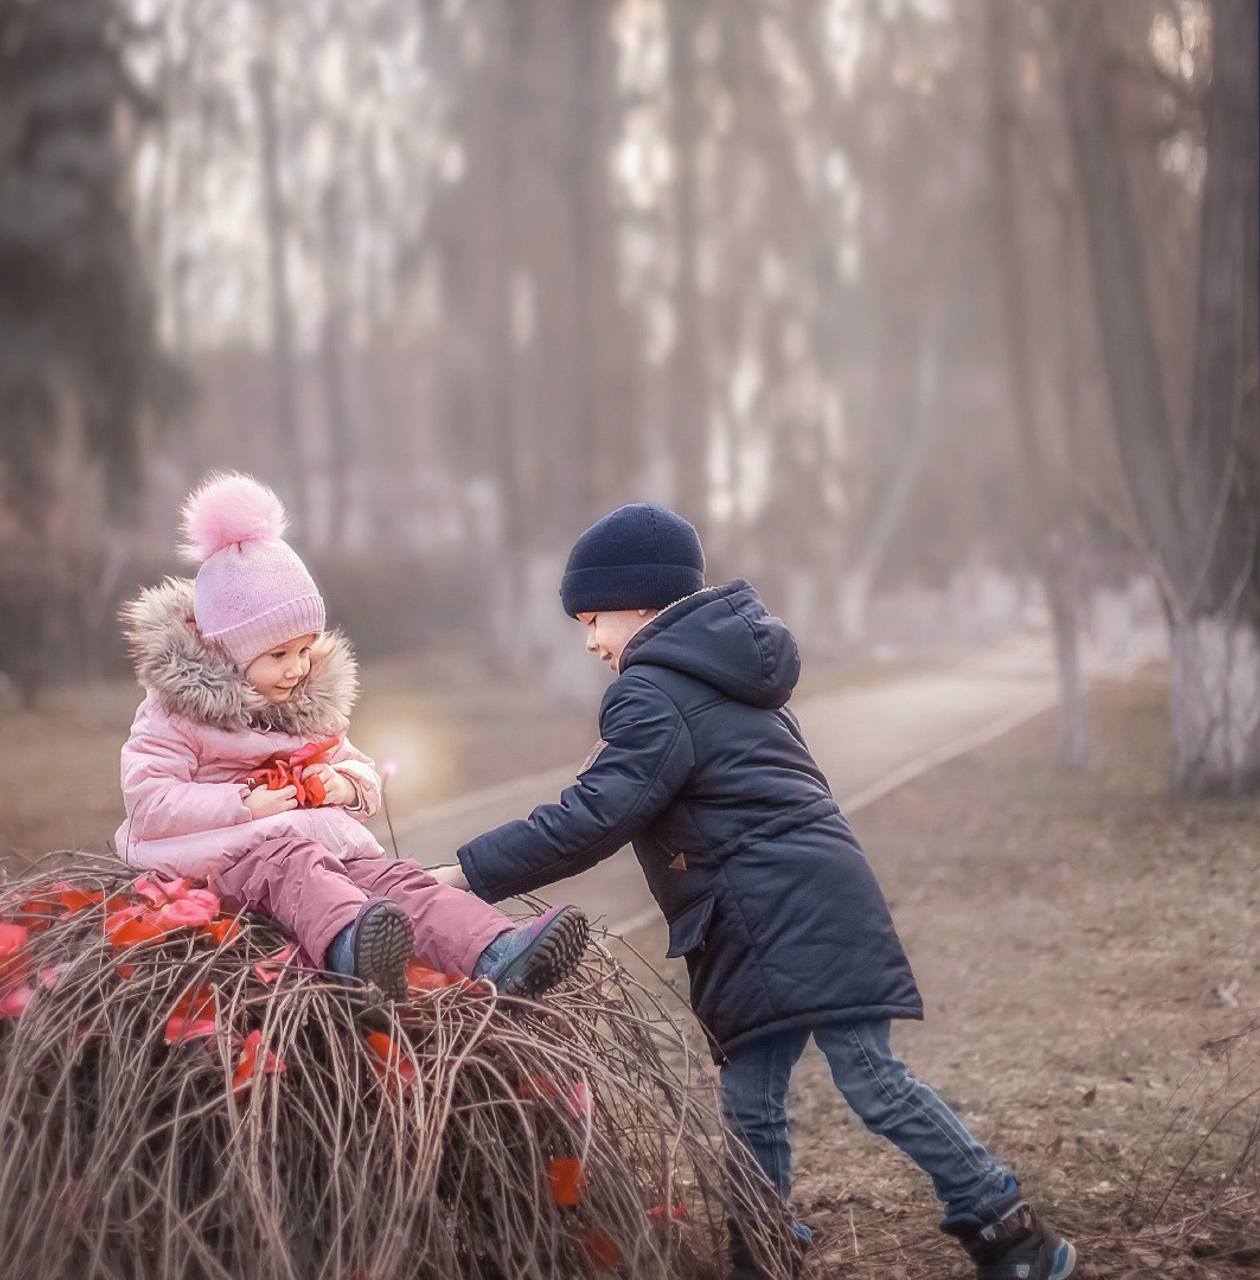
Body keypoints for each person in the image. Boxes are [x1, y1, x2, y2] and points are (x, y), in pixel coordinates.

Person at [431, 504, 1076, 1280]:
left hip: (777, 910)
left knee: (870, 1082)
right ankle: (765, 1253)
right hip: (789, 903)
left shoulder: (654, 690)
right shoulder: (725, 669)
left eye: (592, 618)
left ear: (638, 602)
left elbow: (595, 814)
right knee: (752, 1095)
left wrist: (465, 875)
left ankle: (1012, 1237)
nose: (591, 641)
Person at [115, 472, 586, 1003]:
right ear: (228, 652)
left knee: (398, 881)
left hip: (325, 843)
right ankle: (350, 950)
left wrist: (343, 785)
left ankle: (497, 952)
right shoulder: (177, 716)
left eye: (305, 650)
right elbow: (150, 800)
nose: (296, 669)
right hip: (227, 858)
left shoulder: (304, 705)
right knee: (293, 867)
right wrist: (245, 802)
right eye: (277, 656)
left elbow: (357, 765)